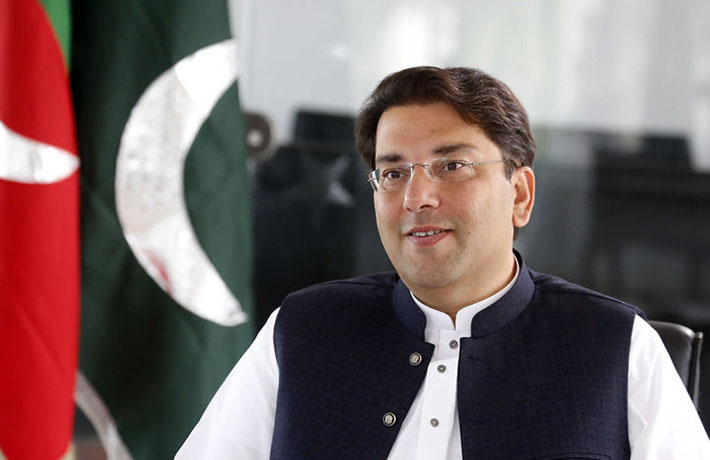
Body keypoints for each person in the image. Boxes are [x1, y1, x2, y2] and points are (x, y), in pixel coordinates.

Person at [175, 66, 710, 459]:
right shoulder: (302, 331)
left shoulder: (619, 346)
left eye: (452, 166)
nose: (416, 197)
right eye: (393, 173)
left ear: (520, 195)